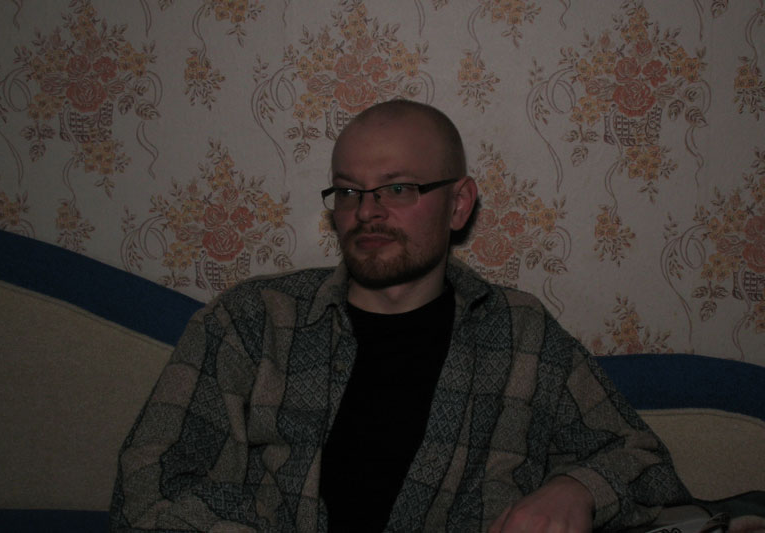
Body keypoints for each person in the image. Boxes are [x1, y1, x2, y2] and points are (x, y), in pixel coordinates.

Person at [110, 100, 690, 532]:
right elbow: (148, 487)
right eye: (348, 191)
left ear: (458, 204)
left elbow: (647, 468)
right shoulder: (251, 322)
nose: (367, 212)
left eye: (398, 189)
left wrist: (576, 489)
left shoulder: (522, 335)